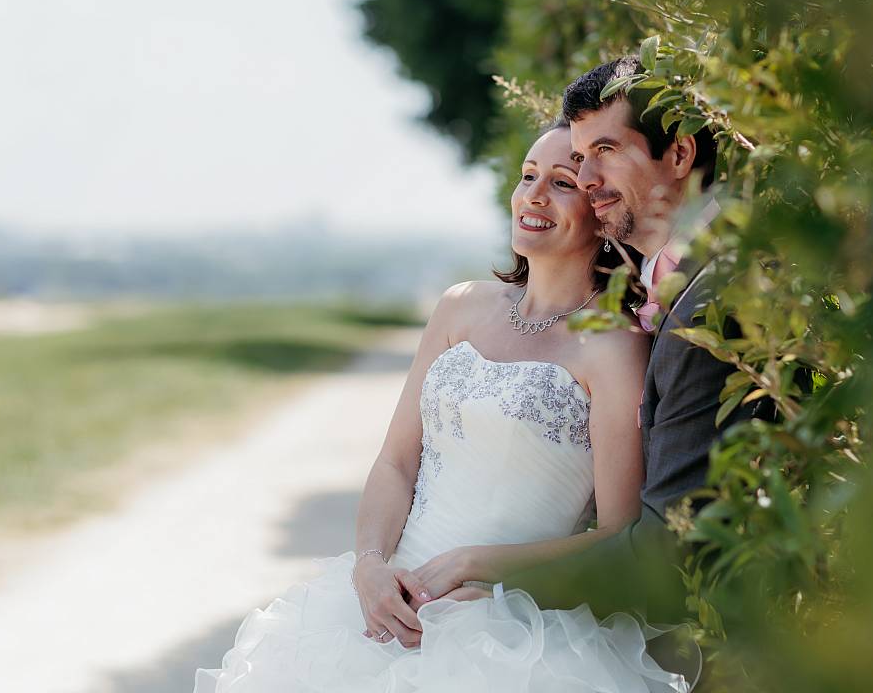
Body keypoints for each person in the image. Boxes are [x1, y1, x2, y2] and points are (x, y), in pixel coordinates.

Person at [192, 123, 691, 692]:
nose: (533, 195)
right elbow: (395, 464)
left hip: (507, 629)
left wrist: (483, 567)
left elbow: (617, 532)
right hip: (385, 603)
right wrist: (370, 568)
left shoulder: (614, 347)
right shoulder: (459, 307)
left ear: (599, 212)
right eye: (527, 176)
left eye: (561, 182)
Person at [423, 56, 767, 631]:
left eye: (604, 151)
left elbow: (666, 549)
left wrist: (488, 579)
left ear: (679, 154)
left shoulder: (714, 301)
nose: (585, 180)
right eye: (579, 160)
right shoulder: (682, 290)